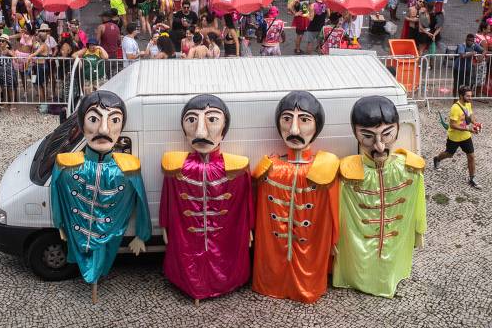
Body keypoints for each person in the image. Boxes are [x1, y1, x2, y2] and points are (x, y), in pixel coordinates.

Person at [50, 91, 151, 292]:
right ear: (81, 124)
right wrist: (60, 224)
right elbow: (56, 195)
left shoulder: (127, 169)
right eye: (94, 119)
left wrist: (141, 234)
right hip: (78, 234)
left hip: (110, 236)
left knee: (103, 256)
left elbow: (142, 202)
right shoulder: (67, 166)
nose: (104, 129)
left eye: (114, 120)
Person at [160, 94, 253, 301]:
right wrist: (165, 225)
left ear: (224, 130)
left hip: (224, 240)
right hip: (186, 241)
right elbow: (168, 201)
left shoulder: (237, 168)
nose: (201, 131)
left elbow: (245, 204)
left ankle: (222, 282)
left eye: (212, 120)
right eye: (192, 120)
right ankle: (190, 285)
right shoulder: (176, 167)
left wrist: (248, 229)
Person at [333, 96, 426, 298]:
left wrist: (419, 231)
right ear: (355, 134)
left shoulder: (410, 169)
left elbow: (418, 206)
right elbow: (336, 211)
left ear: (398, 129)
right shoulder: (347, 174)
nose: (379, 146)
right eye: (368, 136)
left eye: (387, 134)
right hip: (358, 255)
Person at [252, 91, 339, 303]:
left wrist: (334, 240)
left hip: (310, 251)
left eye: (304, 120)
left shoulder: (323, 168)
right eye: (287, 119)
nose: (294, 129)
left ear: (317, 125)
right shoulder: (269, 168)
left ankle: (305, 286)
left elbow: (333, 210)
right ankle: (274, 283)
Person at [433, 86, 481, 189]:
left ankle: (472, 178)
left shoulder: (468, 103)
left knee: (471, 156)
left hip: (466, 137)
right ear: (461, 96)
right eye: (467, 96)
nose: (470, 98)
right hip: (454, 137)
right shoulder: (455, 108)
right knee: (449, 154)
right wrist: (469, 129)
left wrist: (475, 122)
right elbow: (452, 125)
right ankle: (437, 159)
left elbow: (470, 115)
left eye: (470, 95)